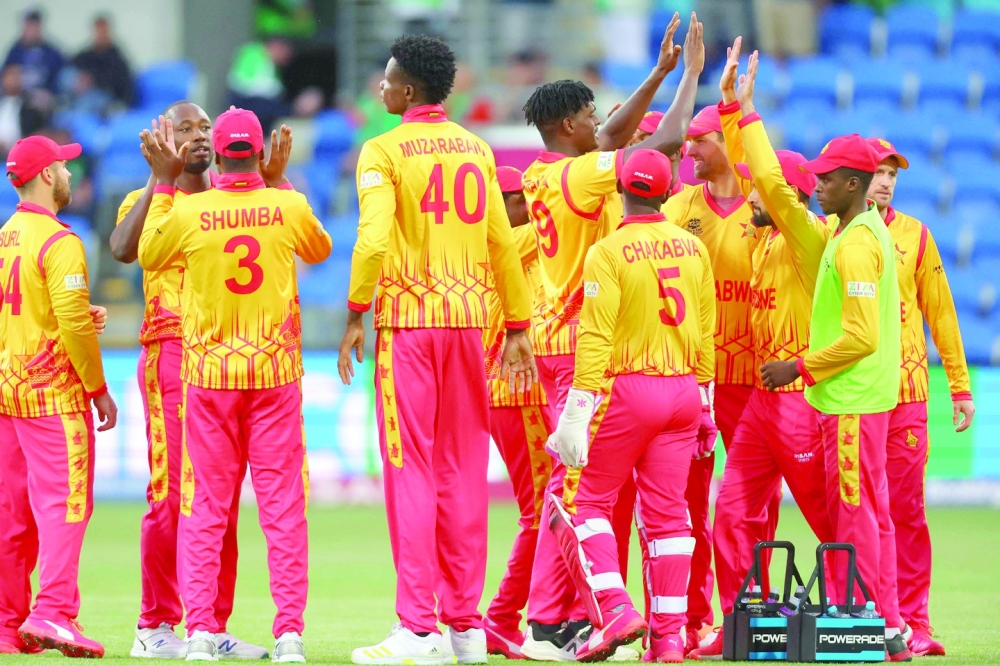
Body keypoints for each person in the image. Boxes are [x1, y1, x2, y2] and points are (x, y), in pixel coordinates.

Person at [339, 35, 536, 666]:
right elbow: (504, 245)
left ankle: (417, 629)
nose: (380, 88)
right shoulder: (478, 150)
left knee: (411, 470)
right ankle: (465, 628)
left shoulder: (383, 150)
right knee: (462, 471)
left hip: (410, 325)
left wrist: (354, 314)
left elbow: (372, 241)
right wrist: (516, 325)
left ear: (408, 90)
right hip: (472, 325)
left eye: (387, 80)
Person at [518, 14, 705, 660]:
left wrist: (655, 73)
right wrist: (687, 78)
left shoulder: (543, 173)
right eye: (592, 113)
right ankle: (563, 618)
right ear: (569, 125)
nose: (601, 119)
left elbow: (609, 133)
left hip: (559, 337)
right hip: (583, 345)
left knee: (569, 490)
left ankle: (556, 614)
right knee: (578, 493)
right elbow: (665, 141)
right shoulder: (586, 175)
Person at [138, 107, 331, 663]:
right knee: (283, 511)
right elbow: (318, 252)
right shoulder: (286, 204)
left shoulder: (193, 212)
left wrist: (169, 183)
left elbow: (148, 254)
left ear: (219, 155)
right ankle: (289, 635)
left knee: (205, 509)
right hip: (273, 380)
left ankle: (199, 630)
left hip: (209, 381)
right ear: (260, 154)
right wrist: (280, 181)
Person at [109, 101, 278, 659]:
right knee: (171, 493)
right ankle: (154, 624)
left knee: (219, 499)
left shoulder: (235, 198)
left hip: (229, 358)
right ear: (162, 137)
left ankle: (209, 625)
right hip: (172, 355)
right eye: (185, 128)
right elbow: (123, 250)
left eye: (205, 127)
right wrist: (160, 179)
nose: (199, 136)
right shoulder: (147, 199)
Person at [689, 45, 834, 660]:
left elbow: (766, 178)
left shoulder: (806, 237)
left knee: (831, 518)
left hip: (801, 397)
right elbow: (753, 173)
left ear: (789, 201)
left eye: (765, 195)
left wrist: (745, 111)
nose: (752, 195)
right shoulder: (765, 244)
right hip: (759, 402)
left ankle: (882, 611)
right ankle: (745, 622)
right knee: (733, 512)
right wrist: (726, 106)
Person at [547, 148, 716, 663]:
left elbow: (595, 337)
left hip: (628, 390)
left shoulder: (607, 251)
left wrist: (576, 413)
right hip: (685, 391)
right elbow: (706, 332)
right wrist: (706, 404)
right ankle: (668, 639)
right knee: (670, 518)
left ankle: (617, 608)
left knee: (583, 503)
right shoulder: (693, 248)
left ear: (620, 190)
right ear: (667, 193)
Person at [760, 133, 911, 662]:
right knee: (871, 512)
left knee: (853, 512)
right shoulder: (855, 232)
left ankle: (859, 616)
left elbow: (862, 337)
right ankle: (886, 623)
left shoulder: (854, 244)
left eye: (826, 178)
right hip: (856, 398)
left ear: (854, 184)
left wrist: (795, 367)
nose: (816, 185)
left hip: (850, 400)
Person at [663, 51, 777, 651]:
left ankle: (753, 611)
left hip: (756, 379)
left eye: (699, 141)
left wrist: (736, 98)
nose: (687, 150)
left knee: (751, 505)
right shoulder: (679, 208)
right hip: (694, 379)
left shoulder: (765, 206)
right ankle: (691, 620)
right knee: (688, 505)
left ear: (726, 142)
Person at [0, 135, 118, 657]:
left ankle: (7, 622)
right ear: (47, 175)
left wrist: (69, 318)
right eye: (64, 166)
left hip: (8, 395)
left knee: (12, 513)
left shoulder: (4, 237)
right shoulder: (60, 239)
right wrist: (97, 388)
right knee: (66, 506)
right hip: (53, 398)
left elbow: (27, 312)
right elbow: (69, 320)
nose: (71, 173)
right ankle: (52, 613)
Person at [866, 137, 973, 657]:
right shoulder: (834, 231)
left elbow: (942, 313)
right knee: (861, 509)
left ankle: (915, 621)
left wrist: (960, 386)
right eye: (879, 171)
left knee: (906, 509)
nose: (886, 181)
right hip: (854, 395)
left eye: (894, 174)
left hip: (906, 393)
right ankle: (869, 615)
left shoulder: (916, 235)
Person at [483, 166, 553, 660]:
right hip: (518, 393)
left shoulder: (511, 251)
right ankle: (503, 618)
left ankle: (521, 615)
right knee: (540, 511)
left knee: (545, 508)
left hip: (516, 391)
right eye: (516, 199)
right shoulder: (507, 244)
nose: (527, 208)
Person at [71, 15, 134, 107]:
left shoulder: (117, 58)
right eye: (98, 31)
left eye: (103, 31)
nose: (101, 35)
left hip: (108, 99)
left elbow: (121, 86)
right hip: (82, 95)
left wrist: (93, 81)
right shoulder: (85, 55)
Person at [2, 10, 63, 99]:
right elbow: (6, 72)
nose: (32, 30)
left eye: (35, 25)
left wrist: (50, 92)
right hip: (17, 93)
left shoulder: (51, 51)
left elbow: (60, 73)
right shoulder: (15, 50)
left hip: (42, 94)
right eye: (29, 26)